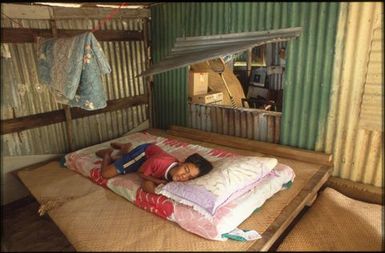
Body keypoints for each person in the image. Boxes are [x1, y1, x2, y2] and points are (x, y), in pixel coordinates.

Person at [95, 142, 213, 193]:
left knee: (125, 162)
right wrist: (158, 181)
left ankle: (124, 148)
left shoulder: (176, 174)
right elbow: (141, 174)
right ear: (181, 162)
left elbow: (148, 184)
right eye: (186, 170)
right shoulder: (159, 162)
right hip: (143, 154)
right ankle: (108, 154)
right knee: (106, 174)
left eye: (189, 177)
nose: (183, 176)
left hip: (151, 157)